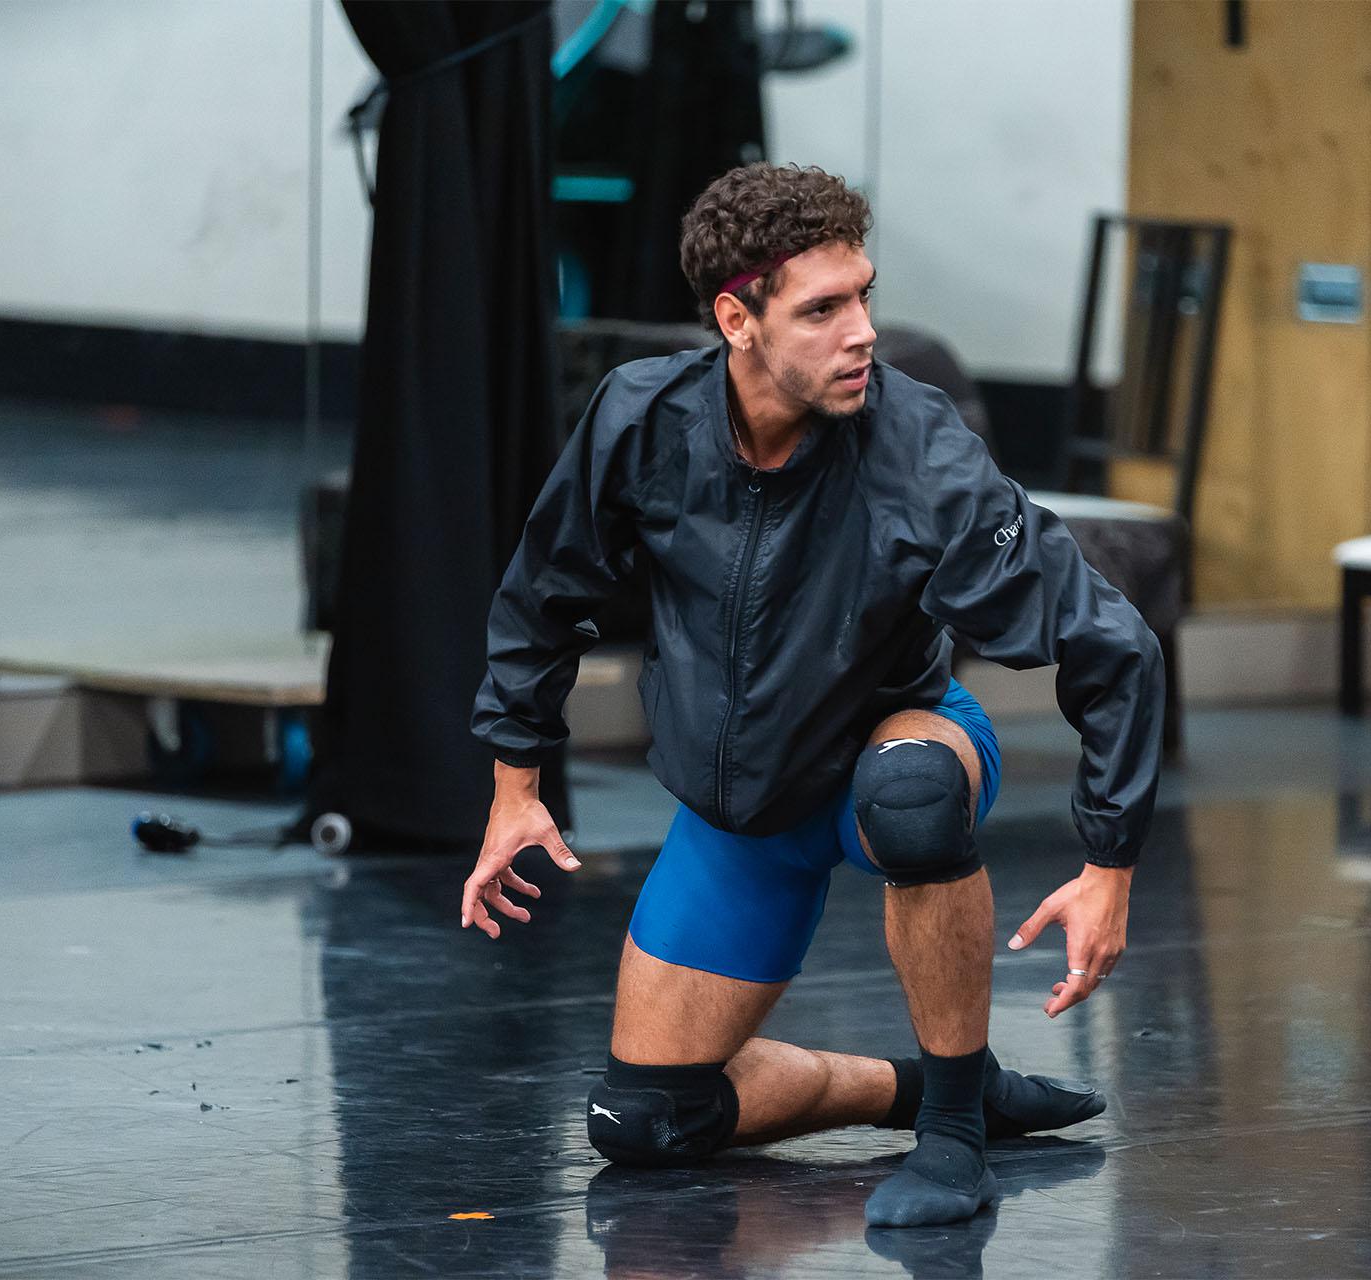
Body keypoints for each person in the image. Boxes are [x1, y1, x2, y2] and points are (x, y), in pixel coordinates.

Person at [462, 164, 1164, 1228]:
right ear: (736, 318)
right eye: (824, 309)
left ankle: (957, 1135)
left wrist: (1108, 861)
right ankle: (928, 1086)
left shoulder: (916, 446)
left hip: (899, 741)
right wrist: (516, 784)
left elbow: (1112, 642)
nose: (864, 332)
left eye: (866, 295)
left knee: (916, 791)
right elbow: (542, 594)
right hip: (744, 806)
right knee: (644, 1119)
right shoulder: (643, 420)